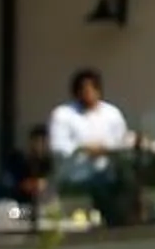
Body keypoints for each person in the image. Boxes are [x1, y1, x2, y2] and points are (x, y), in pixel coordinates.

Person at [47, 69, 136, 224]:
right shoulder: (63, 114)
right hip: (75, 177)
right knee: (101, 188)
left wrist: (107, 149)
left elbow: (122, 141)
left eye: (92, 89)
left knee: (130, 182)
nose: (89, 94)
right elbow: (58, 147)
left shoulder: (111, 113)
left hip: (108, 173)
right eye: (84, 89)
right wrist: (84, 148)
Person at [0, 124, 55, 215]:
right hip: (14, 208)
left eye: (44, 142)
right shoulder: (17, 160)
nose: (40, 146)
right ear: (30, 142)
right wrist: (29, 185)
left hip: (38, 210)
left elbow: (53, 187)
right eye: (37, 141)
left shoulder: (48, 164)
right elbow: (6, 188)